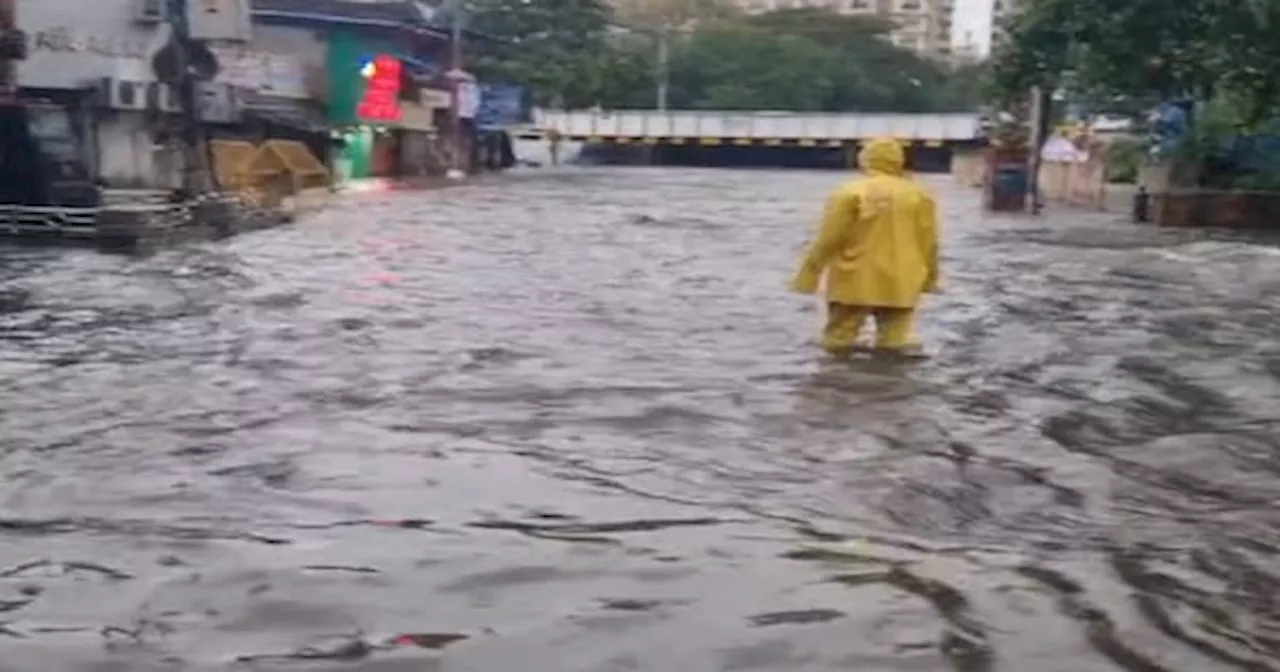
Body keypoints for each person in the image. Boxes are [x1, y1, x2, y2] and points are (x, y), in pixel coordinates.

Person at [790, 137, 940, 358]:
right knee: (894, 343)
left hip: (854, 279)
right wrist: (931, 278)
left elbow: (829, 238)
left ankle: (841, 383)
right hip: (902, 281)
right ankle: (892, 386)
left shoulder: (849, 192)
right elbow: (930, 242)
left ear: (865, 159)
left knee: (838, 341)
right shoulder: (920, 195)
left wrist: (809, 274)